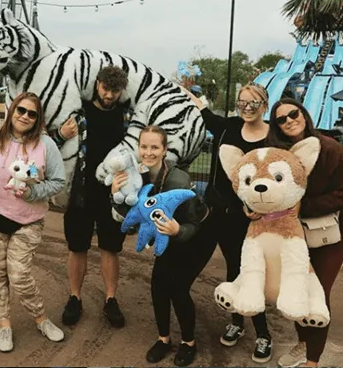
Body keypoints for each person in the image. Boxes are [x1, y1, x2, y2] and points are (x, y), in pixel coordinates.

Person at [182, 83, 274, 364]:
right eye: (242, 101)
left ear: (264, 105)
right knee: (213, 266)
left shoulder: (273, 138)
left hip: (247, 218)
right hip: (215, 211)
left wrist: (261, 209)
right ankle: (236, 321)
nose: (246, 107)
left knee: (244, 271)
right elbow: (201, 110)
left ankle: (263, 334)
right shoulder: (228, 127)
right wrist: (182, 91)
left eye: (253, 102)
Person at [112, 125, 210, 366]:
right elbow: (134, 213)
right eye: (144, 146)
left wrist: (178, 231)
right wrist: (115, 194)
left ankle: (188, 343)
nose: (148, 152)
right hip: (168, 236)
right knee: (158, 286)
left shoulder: (178, 179)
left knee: (178, 289)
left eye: (155, 147)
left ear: (164, 150)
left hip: (196, 237)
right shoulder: (139, 176)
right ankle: (163, 339)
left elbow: (194, 222)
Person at [0, 92, 66, 352]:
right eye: (21, 110)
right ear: (12, 110)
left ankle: (40, 318)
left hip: (27, 221)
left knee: (18, 274)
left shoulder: (46, 145)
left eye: (32, 113)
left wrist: (33, 193)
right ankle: (4, 325)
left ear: (38, 119)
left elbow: (58, 181)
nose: (25, 116)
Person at [50, 65, 131, 328]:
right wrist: (61, 136)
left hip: (113, 191)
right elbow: (50, 145)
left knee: (110, 247)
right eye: (106, 89)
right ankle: (74, 297)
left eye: (115, 91)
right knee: (77, 246)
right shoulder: (78, 111)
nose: (109, 95)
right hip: (81, 189)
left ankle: (111, 299)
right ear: (97, 84)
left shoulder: (125, 115)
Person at [267, 98, 343, 368]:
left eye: (293, 114)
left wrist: (304, 206)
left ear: (304, 114)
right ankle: (303, 343)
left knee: (317, 294)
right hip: (293, 237)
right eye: (281, 119)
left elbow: (341, 193)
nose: (289, 120)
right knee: (297, 290)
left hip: (327, 237)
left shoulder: (329, 148)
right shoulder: (278, 155)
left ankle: (313, 359)